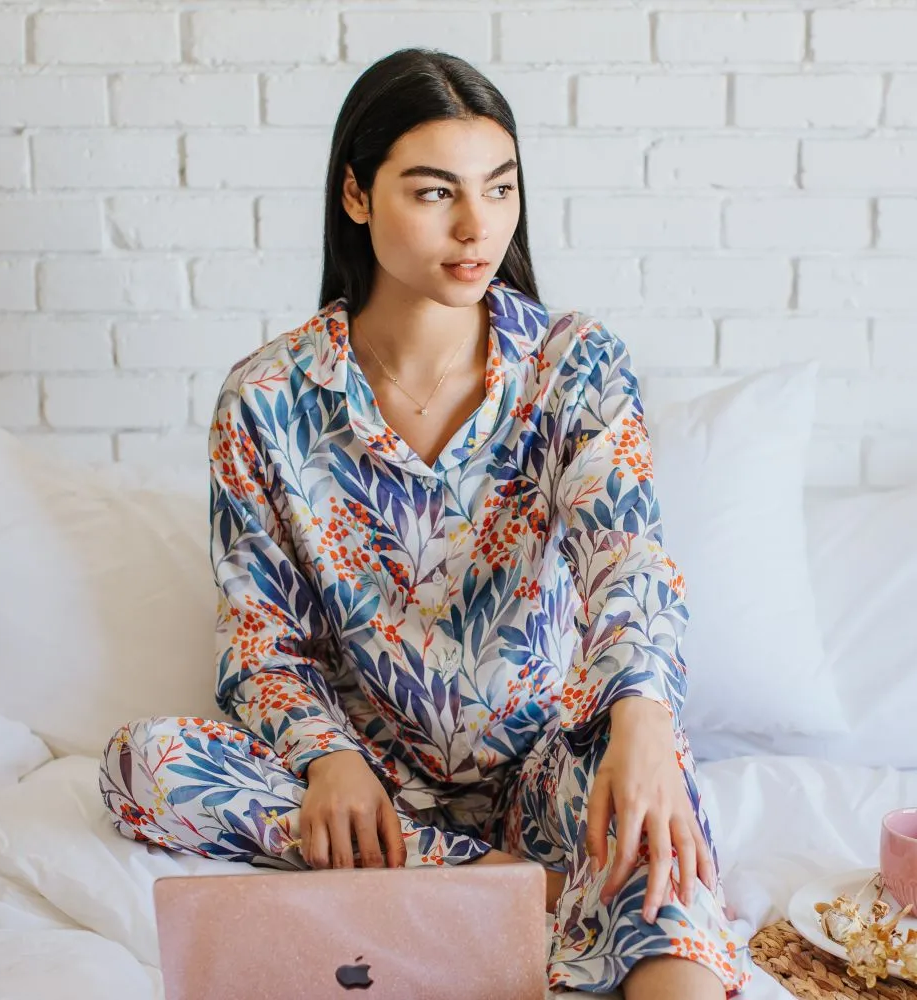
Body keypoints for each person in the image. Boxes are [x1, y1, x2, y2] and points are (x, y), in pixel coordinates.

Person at [99, 47, 754, 999]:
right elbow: (262, 640)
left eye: (500, 188)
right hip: (369, 795)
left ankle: (585, 924)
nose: (476, 225)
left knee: (655, 805)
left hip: (544, 764)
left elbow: (628, 558)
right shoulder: (267, 398)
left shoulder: (574, 365)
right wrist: (326, 762)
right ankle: (492, 886)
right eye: (434, 191)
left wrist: (643, 724)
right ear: (357, 197)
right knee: (143, 764)